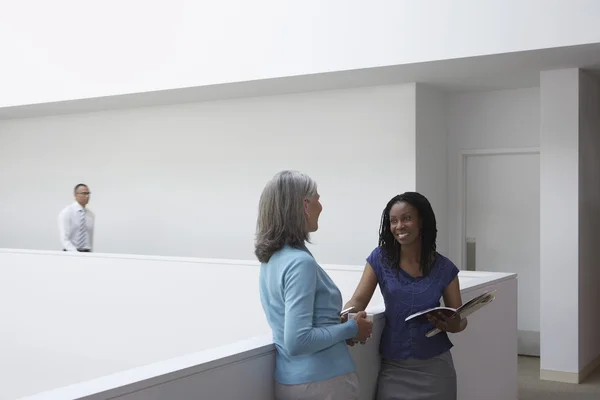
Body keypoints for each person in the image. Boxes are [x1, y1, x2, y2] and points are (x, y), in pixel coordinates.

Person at [256, 170, 373, 400]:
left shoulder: (272, 261)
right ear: (305, 205)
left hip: (293, 381)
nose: (321, 207)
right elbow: (297, 341)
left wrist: (334, 323)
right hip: (323, 384)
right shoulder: (300, 263)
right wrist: (351, 329)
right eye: (318, 199)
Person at [344, 192, 467, 400]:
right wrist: (341, 319)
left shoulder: (445, 268)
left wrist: (452, 324)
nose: (399, 225)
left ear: (422, 221)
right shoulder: (379, 259)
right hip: (394, 367)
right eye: (393, 221)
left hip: (436, 369)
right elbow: (357, 302)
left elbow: (460, 320)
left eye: (407, 218)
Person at [58, 183, 95, 252]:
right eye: (84, 193)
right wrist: (76, 253)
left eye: (88, 193)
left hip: (86, 253)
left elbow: (90, 238)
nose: (87, 196)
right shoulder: (67, 212)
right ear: (75, 195)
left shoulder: (90, 215)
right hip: (71, 252)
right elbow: (64, 238)